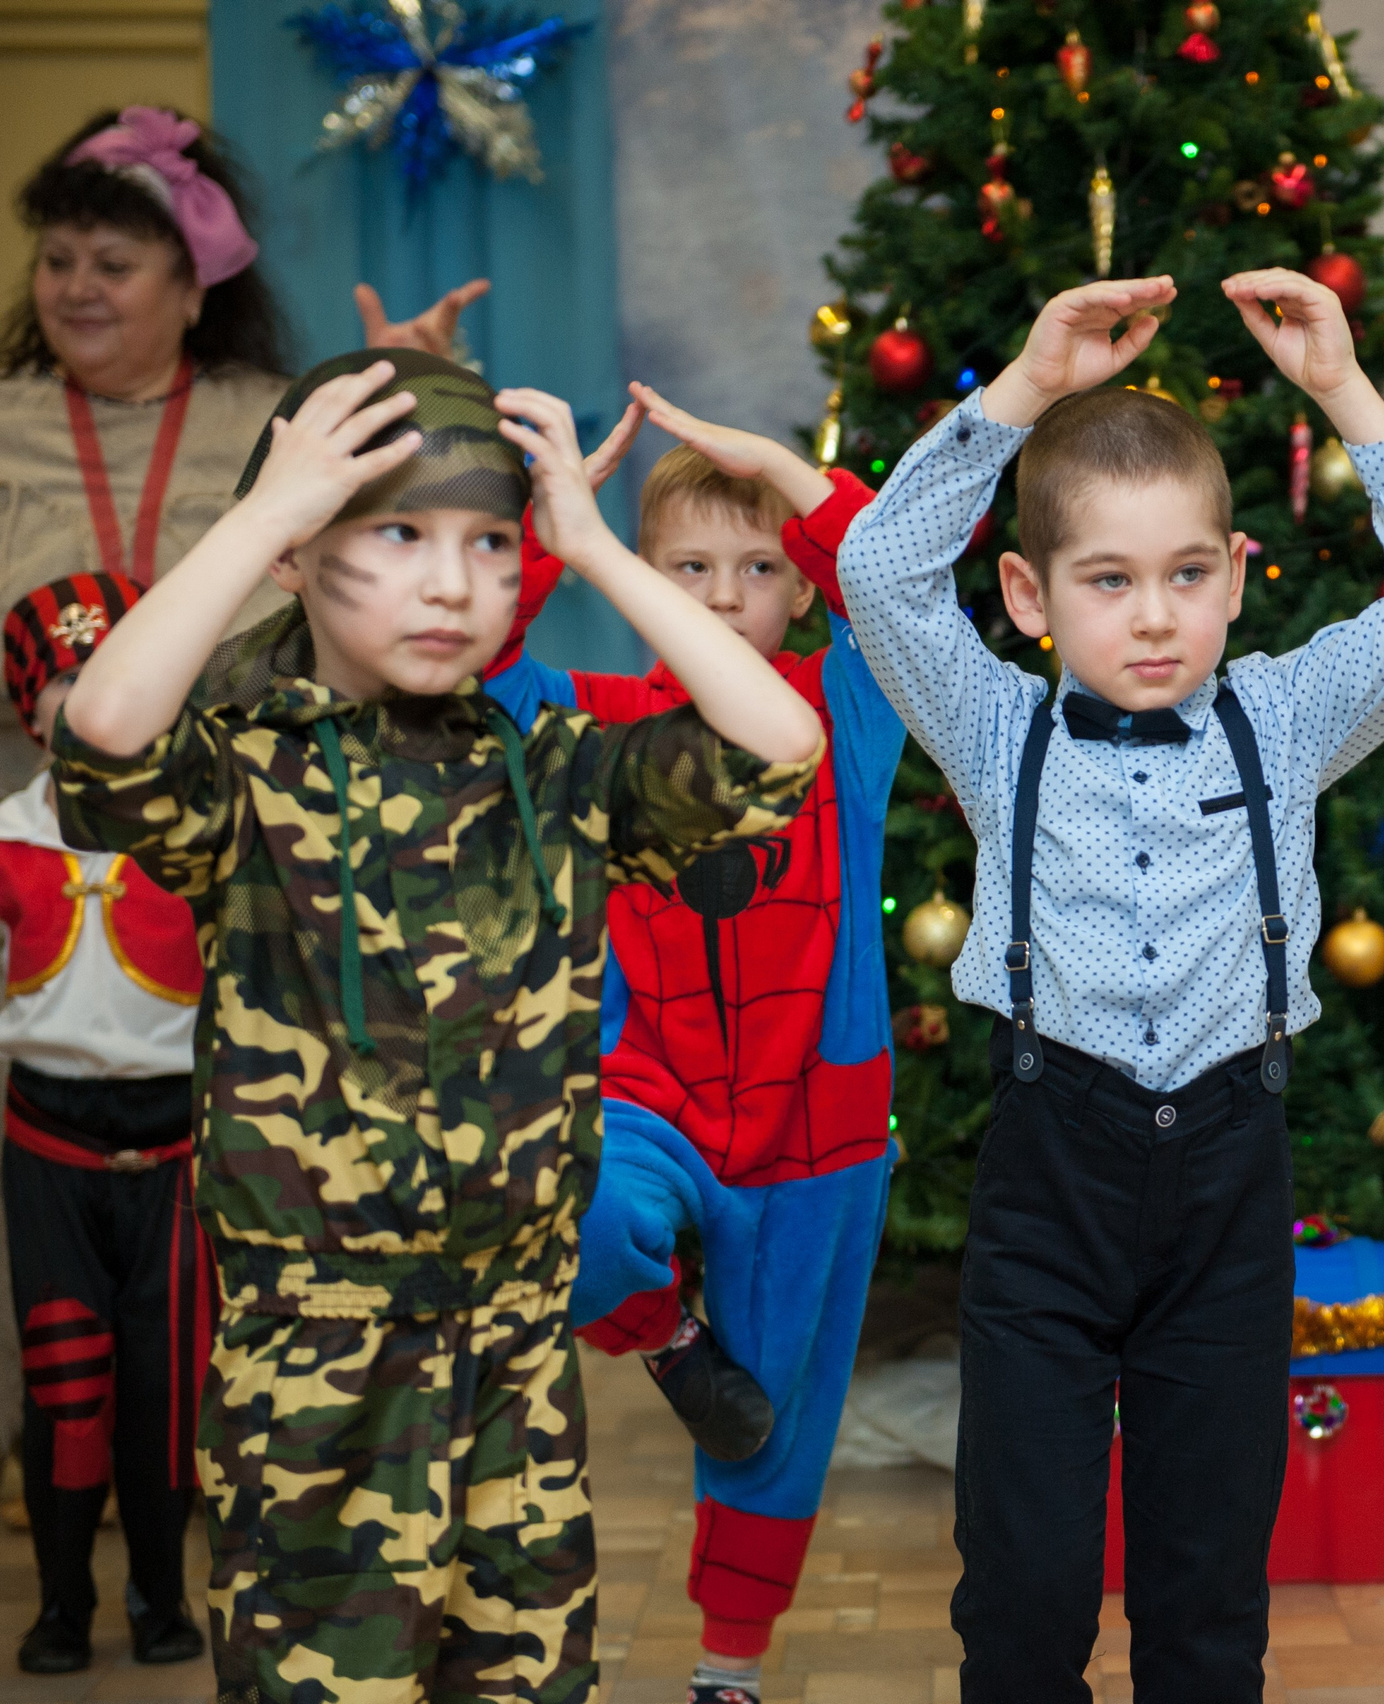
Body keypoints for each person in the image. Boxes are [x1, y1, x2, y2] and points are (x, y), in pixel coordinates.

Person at [45, 347, 824, 1702]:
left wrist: (590, 546)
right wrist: (260, 520)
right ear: (298, 550)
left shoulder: (558, 770)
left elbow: (776, 748)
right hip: (316, 1370)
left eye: (488, 545)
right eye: (395, 536)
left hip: (515, 1355)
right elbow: (106, 735)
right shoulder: (250, 779)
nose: (453, 582)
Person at [837, 270, 1384, 1700]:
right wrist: (1026, 382)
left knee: (1208, 1602)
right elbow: (881, 570)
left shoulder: (1286, 714)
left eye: (1187, 576)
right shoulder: (989, 719)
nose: (1154, 619)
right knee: (1022, 1596)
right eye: (1109, 580)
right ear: (1027, 595)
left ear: (1238, 575)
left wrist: (1344, 390)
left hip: (1226, 1188)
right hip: (1046, 1197)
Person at [482, 385, 899, 1703]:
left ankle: (730, 1672)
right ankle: (666, 1340)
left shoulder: (853, 711)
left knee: (777, 1415)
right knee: (576, 1215)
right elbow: (479, 671)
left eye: (760, 567)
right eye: (691, 571)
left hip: (813, 1124)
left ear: (800, 590)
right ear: (642, 582)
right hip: (647, 1091)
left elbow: (900, 589)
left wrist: (782, 469)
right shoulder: (594, 718)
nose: (726, 598)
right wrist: (557, 530)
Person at [0, 105, 482, 795]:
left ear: (193, 289)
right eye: (57, 263)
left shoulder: (283, 426)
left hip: (244, 819)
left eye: (113, 266)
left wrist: (397, 406)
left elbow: (380, 615)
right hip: (26, 840)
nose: (79, 290)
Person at [0, 572, 208, 1675]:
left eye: (110, 676)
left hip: (176, 1154)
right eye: (64, 683)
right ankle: (63, 1606)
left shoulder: (205, 836)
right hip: (48, 1154)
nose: (88, 704)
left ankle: (163, 1598)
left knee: (165, 1391)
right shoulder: (4, 843)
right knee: (65, 1380)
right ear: (29, 710)